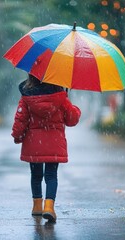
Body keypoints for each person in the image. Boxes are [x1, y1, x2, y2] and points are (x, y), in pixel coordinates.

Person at [11, 74, 81, 222]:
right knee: (51, 176)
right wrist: (72, 106)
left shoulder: (26, 97)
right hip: (54, 143)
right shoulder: (60, 97)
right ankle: (49, 207)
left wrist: (17, 136)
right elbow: (71, 119)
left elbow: (20, 119)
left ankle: (37, 206)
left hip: (34, 143)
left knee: (36, 175)